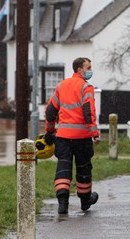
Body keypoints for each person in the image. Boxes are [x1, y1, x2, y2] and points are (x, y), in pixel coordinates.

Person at [44, 57, 100, 214]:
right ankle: (85, 200)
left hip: (63, 136)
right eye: (88, 67)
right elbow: (88, 111)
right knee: (83, 168)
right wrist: (94, 133)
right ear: (79, 70)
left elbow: (50, 111)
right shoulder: (86, 87)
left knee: (63, 167)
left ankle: (63, 203)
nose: (90, 70)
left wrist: (49, 131)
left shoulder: (61, 86)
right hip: (82, 137)